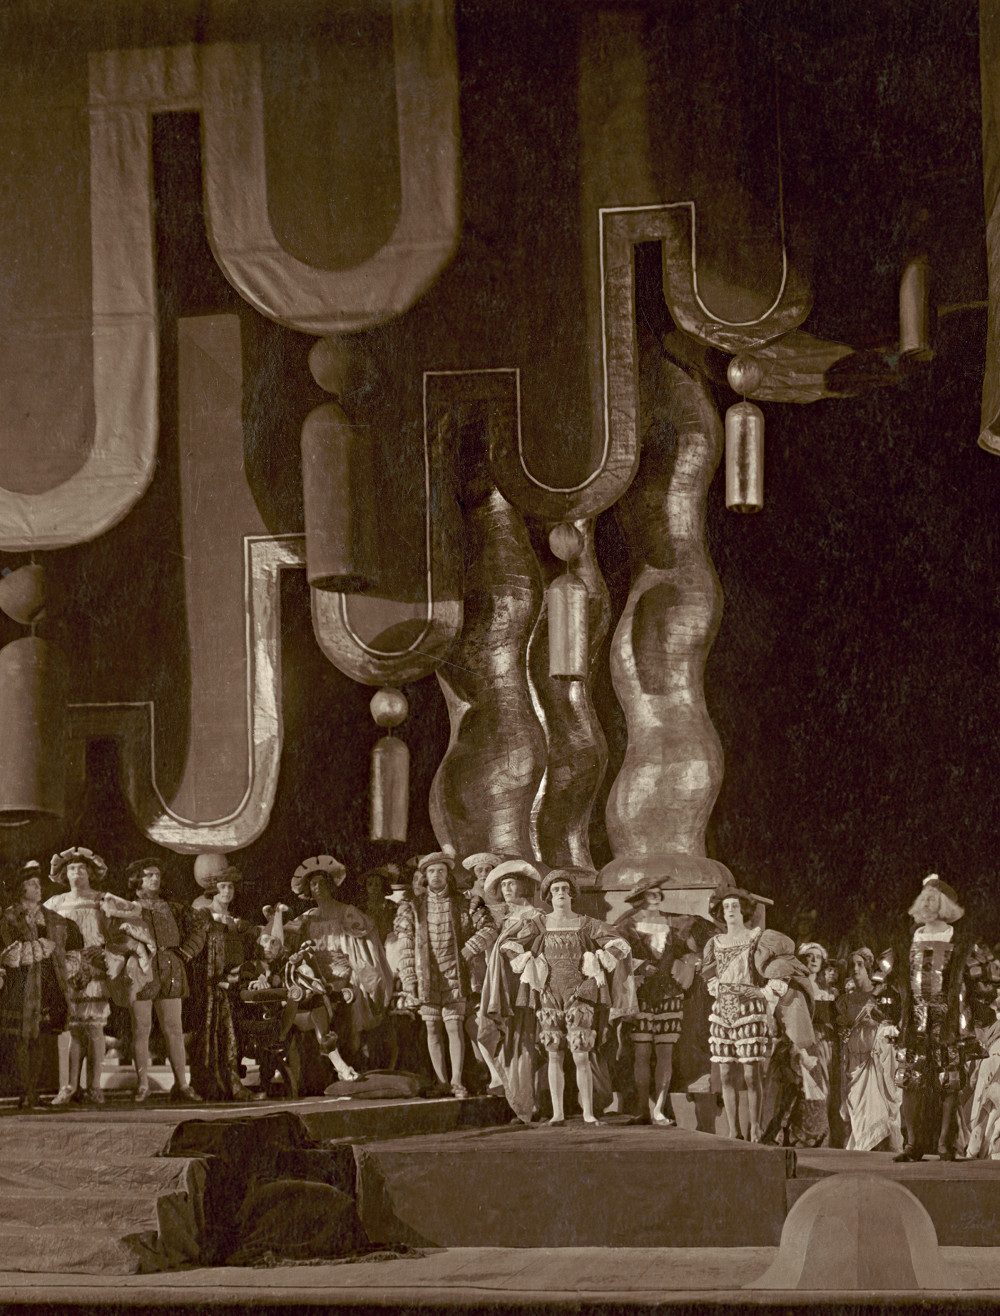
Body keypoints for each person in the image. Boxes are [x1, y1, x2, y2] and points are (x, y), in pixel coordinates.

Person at [480, 869, 636, 1125]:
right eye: (555, 890)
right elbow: (508, 944)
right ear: (549, 896)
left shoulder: (586, 923)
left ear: (572, 894)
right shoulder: (539, 924)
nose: (560, 893)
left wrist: (600, 961)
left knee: (581, 1055)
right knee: (554, 1055)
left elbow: (620, 945)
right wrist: (527, 962)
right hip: (549, 996)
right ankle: (557, 1113)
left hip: (581, 996)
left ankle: (588, 1113)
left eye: (564, 889)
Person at [892, 874, 986, 1161]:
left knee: (950, 1078)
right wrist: (894, 1016)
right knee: (910, 1077)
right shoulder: (908, 939)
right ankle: (912, 1144)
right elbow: (894, 981)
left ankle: (945, 1143)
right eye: (924, 898)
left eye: (933, 899)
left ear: (944, 904)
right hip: (915, 1017)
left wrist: (967, 1018)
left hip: (948, 1017)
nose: (927, 903)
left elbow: (975, 983)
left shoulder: (959, 940)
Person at [103, 858, 207, 1103]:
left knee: (174, 1029)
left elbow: (200, 927)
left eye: (157, 875)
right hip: (140, 969)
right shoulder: (126, 907)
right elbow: (113, 937)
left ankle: (182, 1085)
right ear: (137, 879)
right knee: (141, 1029)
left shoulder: (174, 908)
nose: (155, 879)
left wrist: (186, 953)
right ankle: (142, 1086)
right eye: (149, 875)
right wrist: (132, 950)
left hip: (170, 969)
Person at [701, 885, 798, 1142]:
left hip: (750, 1008)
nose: (730, 910)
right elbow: (710, 976)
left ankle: (755, 1127)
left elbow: (782, 966)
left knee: (750, 1073)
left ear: (743, 909)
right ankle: (734, 1130)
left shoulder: (757, 938)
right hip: (723, 1009)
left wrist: (764, 993)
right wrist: (719, 990)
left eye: (735, 906)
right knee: (725, 1073)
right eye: (726, 907)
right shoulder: (715, 943)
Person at [286, 855, 394, 1082]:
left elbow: (365, 941)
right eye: (313, 884)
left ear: (330, 886)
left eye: (322, 883)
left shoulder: (346, 912)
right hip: (317, 978)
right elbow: (287, 938)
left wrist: (357, 971)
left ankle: (354, 1061)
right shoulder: (308, 917)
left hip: (346, 972)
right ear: (309, 890)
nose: (318, 888)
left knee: (353, 1005)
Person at [394, 851, 486, 1097]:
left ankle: (457, 1081)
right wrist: (409, 978)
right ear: (425, 875)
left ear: (448, 875)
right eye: (432, 871)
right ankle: (441, 1081)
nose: (436, 875)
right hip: (426, 975)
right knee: (433, 1028)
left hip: (455, 973)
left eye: (441, 871)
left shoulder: (465, 902)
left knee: (454, 1027)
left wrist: (470, 948)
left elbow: (489, 928)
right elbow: (405, 944)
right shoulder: (412, 907)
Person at [43, 848, 114, 1106]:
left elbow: (116, 931)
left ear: (91, 872)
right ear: (64, 873)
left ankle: (94, 1087)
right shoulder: (55, 903)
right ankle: (70, 1086)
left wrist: (105, 951)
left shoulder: (101, 899)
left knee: (94, 1028)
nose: (76, 872)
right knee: (73, 1030)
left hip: (95, 967)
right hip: (67, 970)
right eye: (72, 868)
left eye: (81, 868)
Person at [614, 878, 686, 1125]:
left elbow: (687, 951)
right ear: (641, 898)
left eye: (658, 893)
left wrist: (684, 963)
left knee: (665, 1052)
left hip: (669, 993)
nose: (655, 897)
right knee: (641, 1052)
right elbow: (615, 954)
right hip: (641, 994)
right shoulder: (627, 926)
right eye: (650, 894)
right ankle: (643, 1109)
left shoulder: (672, 923)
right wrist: (640, 967)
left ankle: (659, 1110)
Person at [187, 862, 260, 1101]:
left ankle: (231, 1084)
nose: (227, 891)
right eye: (222, 887)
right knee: (210, 1035)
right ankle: (211, 1086)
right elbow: (198, 951)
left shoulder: (236, 921)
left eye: (230, 887)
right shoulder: (203, 914)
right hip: (209, 986)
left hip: (232, 986)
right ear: (214, 890)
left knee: (231, 1036)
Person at [0, 863, 71, 1108]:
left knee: (38, 1037)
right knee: (22, 1037)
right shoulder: (10, 916)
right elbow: (7, 947)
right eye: (32, 884)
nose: (38, 888)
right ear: (21, 888)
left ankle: (34, 1091)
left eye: (39, 884)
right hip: (19, 983)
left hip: (44, 982)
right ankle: (24, 1092)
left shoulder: (49, 916)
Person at [837, 946, 902, 1151]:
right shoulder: (844, 1001)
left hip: (875, 1062)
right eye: (852, 965)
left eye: (860, 964)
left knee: (879, 1113)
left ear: (868, 967)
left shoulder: (881, 994)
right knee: (859, 1117)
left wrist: (878, 1015)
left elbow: (891, 1024)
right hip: (854, 1063)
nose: (855, 969)